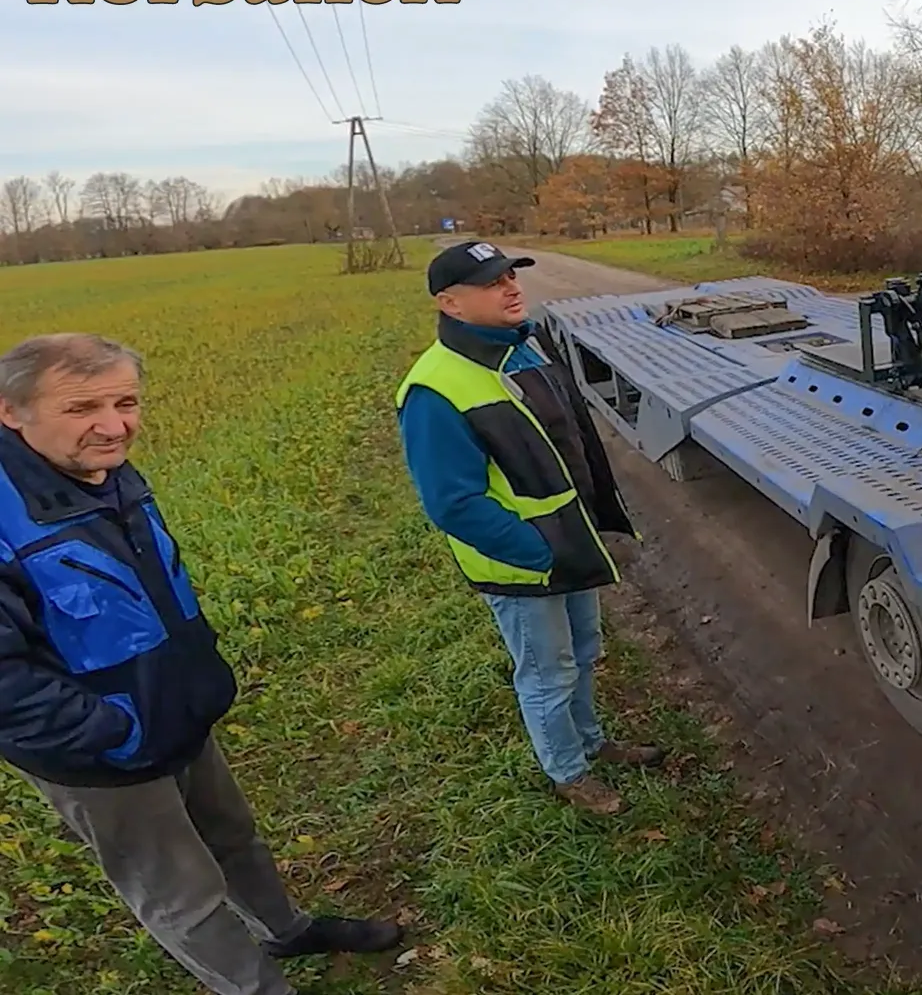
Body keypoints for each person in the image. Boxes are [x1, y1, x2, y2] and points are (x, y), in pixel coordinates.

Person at [0, 332, 403, 995]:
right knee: (182, 894)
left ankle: (285, 930)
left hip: (174, 708)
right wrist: (115, 731)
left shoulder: (98, 469)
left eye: (126, 402)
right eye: (81, 408)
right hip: (100, 753)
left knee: (233, 837)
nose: (114, 426)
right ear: (11, 411)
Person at [395, 240, 663, 816]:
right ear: (450, 303)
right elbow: (453, 504)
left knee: (584, 651)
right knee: (548, 672)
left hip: (569, 542)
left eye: (511, 276)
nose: (512, 288)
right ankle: (568, 772)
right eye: (492, 283)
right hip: (525, 563)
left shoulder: (523, 350)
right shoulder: (434, 391)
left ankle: (591, 741)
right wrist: (540, 552)